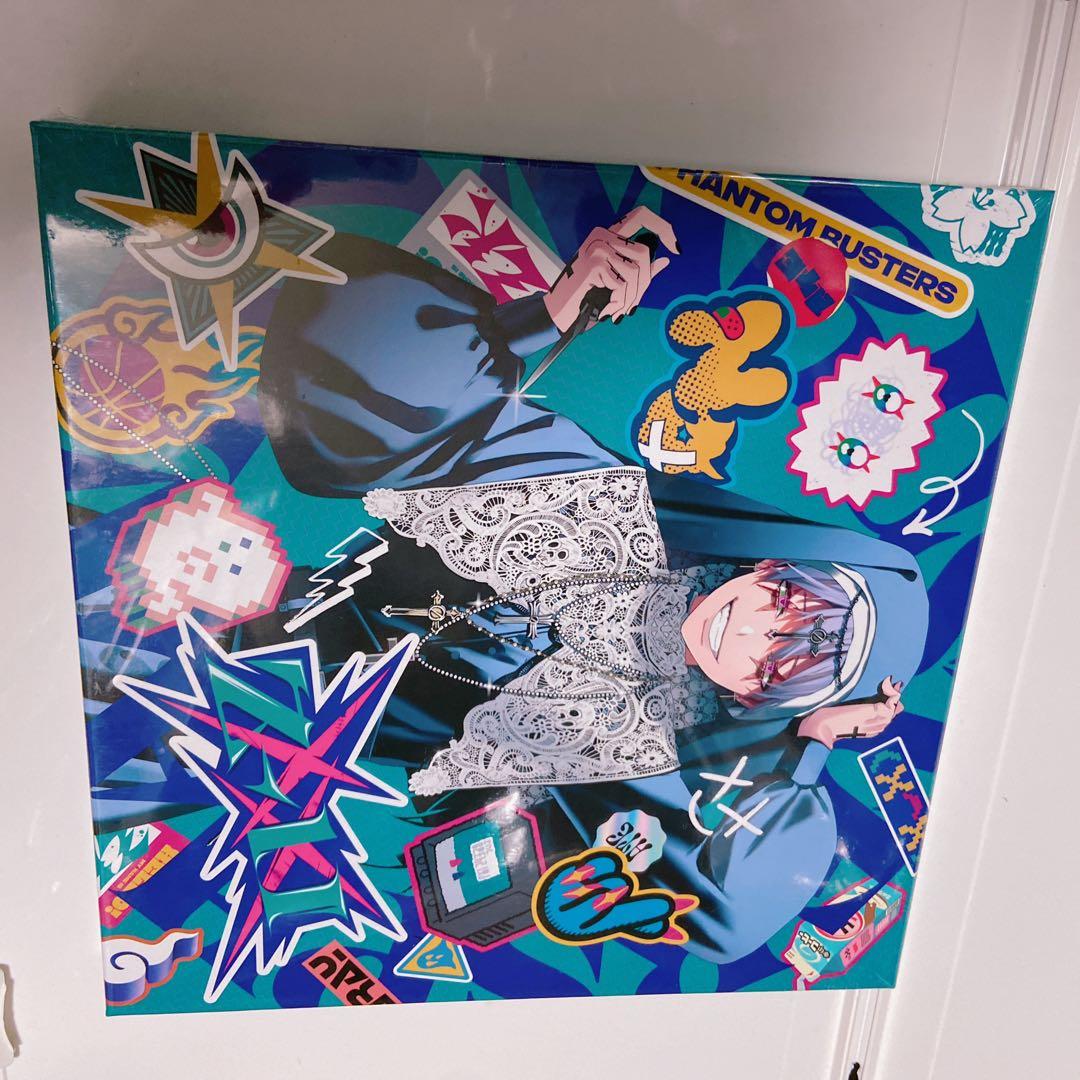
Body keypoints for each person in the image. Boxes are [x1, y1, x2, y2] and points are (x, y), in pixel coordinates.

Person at [254, 206, 928, 961]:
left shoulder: (641, 748)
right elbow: (342, 386)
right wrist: (537, 319)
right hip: (250, 603)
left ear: (757, 698)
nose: (744, 630)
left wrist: (812, 741)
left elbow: (728, 916)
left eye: (778, 663)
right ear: (772, 564)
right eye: (785, 604)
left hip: (275, 739)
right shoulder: (601, 499)